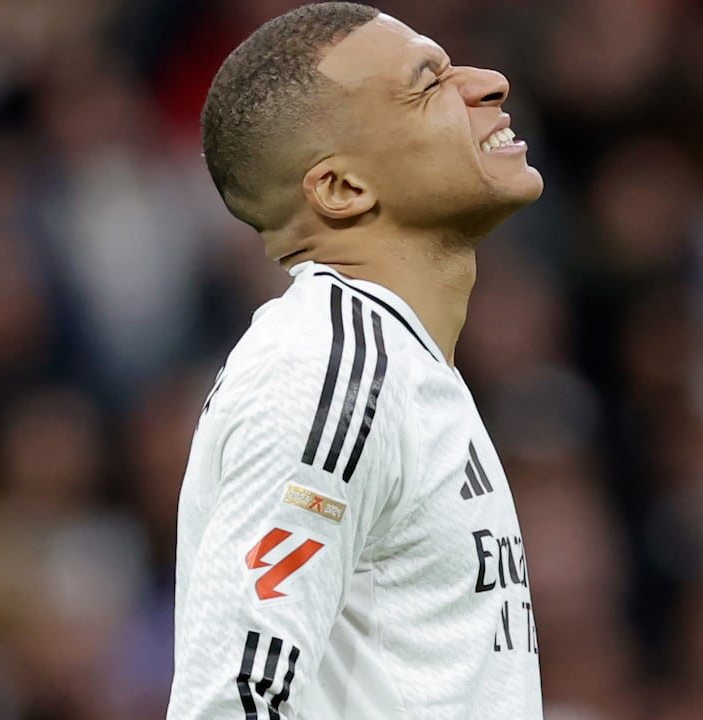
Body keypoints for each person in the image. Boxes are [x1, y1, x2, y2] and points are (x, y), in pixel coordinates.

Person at [166, 3, 545, 718]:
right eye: (427, 83)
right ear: (342, 189)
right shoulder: (327, 368)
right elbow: (235, 701)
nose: (488, 83)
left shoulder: (396, 364)